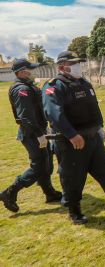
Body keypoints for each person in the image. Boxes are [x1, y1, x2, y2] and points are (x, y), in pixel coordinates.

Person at [42, 51, 105, 224]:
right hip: (71, 142)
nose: (77, 66)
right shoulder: (54, 86)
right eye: (73, 63)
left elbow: (94, 107)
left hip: (93, 138)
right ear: (61, 67)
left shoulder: (84, 83)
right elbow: (53, 113)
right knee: (72, 176)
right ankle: (74, 211)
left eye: (78, 63)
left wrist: (100, 127)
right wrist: (71, 134)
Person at [0, 59, 62, 212]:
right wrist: (39, 134)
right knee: (38, 166)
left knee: (46, 164)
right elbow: (25, 117)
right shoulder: (21, 89)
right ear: (21, 72)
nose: (33, 71)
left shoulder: (28, 86)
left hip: (39, 130)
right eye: (30, 69)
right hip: (32, 134)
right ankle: (9, 192)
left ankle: (49, 193)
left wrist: (45, 129)